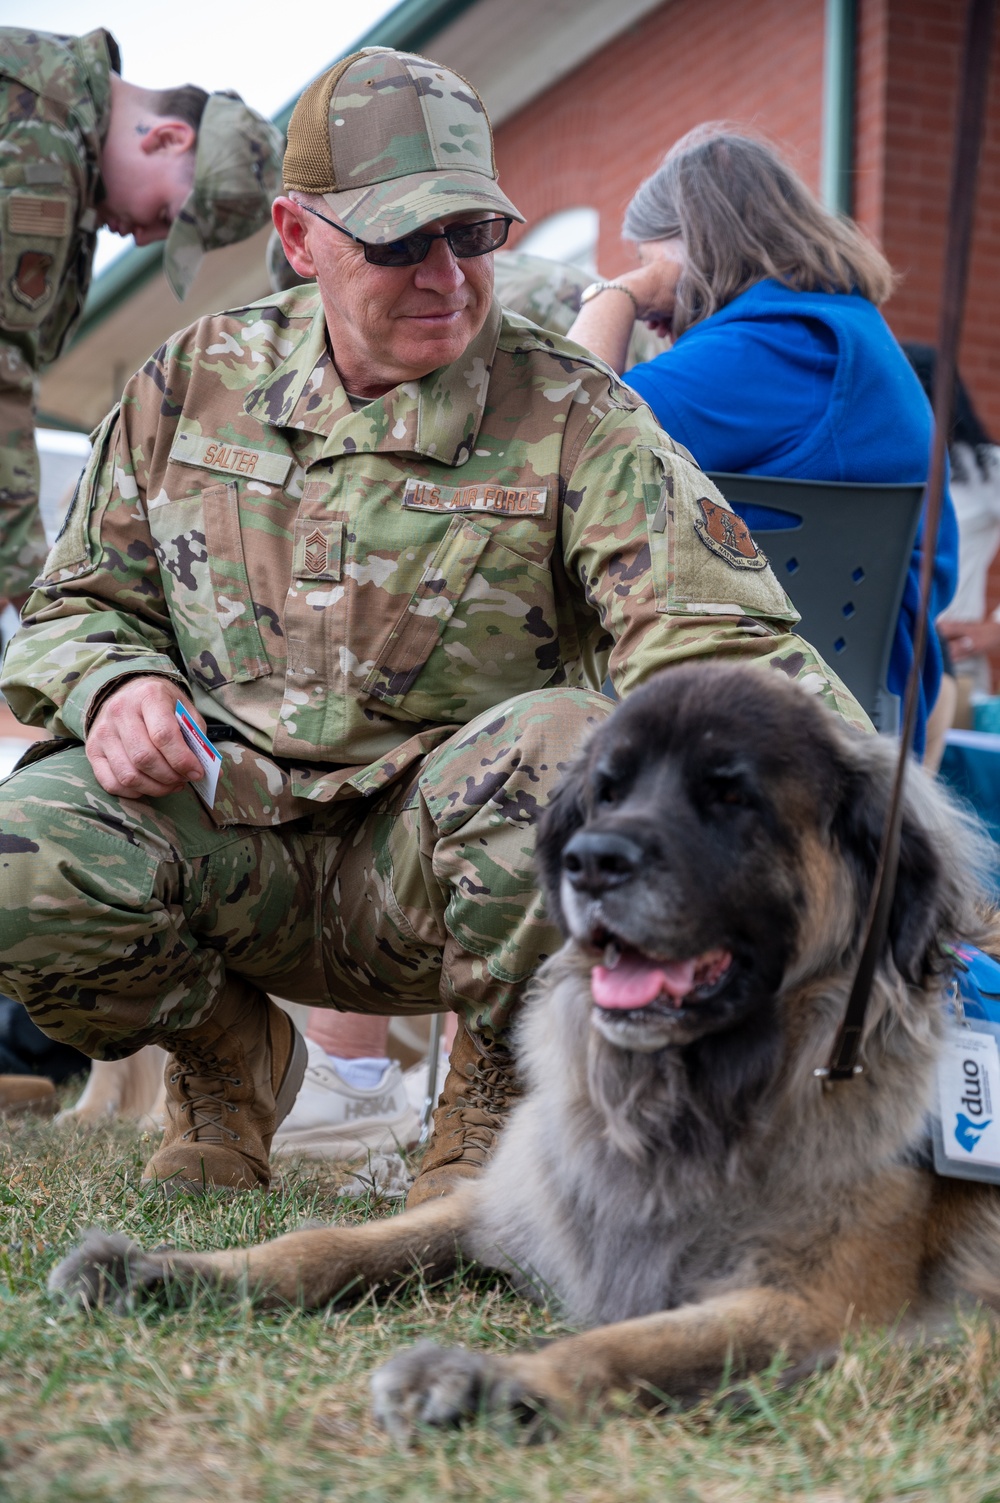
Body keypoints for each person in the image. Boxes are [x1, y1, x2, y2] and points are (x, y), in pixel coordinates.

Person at [0, 49, 866, 1204]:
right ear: (300, 239)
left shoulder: (574, 414)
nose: (446, 277)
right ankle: (226, 1062)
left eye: (473, 234)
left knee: (575, 750)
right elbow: (76, 604)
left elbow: (723, 654)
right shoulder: (187, 384)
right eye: (401, 243)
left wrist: (922, 865)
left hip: (437, 874)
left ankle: (489, 1108)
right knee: (22, 851)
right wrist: (114, 687)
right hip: (219, 840)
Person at [566, 124, 958, 759]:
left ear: (693, 243)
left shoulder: (776, 346)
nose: (647, 286)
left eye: (649, 257)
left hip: (763, 692)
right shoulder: (843, 336)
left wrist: (617, 292)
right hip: (859, 694)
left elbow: (565, 424)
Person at [0, 25, 284, 610]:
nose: (141, 239)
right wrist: (16, 579)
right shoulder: (41, 150)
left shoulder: (44, 80)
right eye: (163, 214)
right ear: (165, 139)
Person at [904, 344, 1000, 700]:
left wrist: (994, 630)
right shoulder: (883, 466)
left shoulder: (988, 469)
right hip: (890, 647)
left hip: (956, 660)